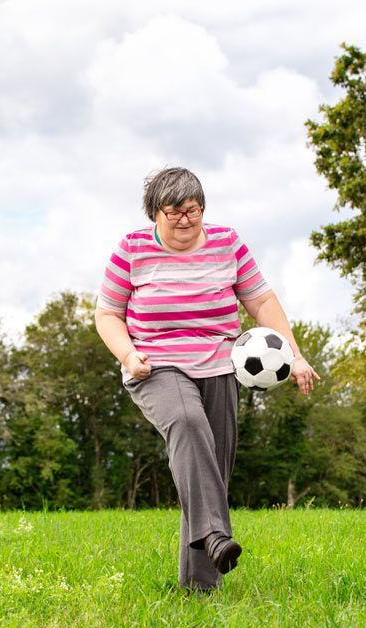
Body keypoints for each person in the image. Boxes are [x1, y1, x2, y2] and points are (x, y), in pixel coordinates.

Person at [95, 166, 320, 592]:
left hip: (219, 366)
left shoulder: (227, 243)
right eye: (174, 211)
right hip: (155, 364)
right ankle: (216, 534)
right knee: (187, 422)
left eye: (194, 210)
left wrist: (294, 355)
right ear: (154, 213)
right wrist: (128, 354)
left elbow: (262, 301)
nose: (186, 219)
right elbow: (107, 313)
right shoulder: (132, 249)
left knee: (209, 472)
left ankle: (199, 592)